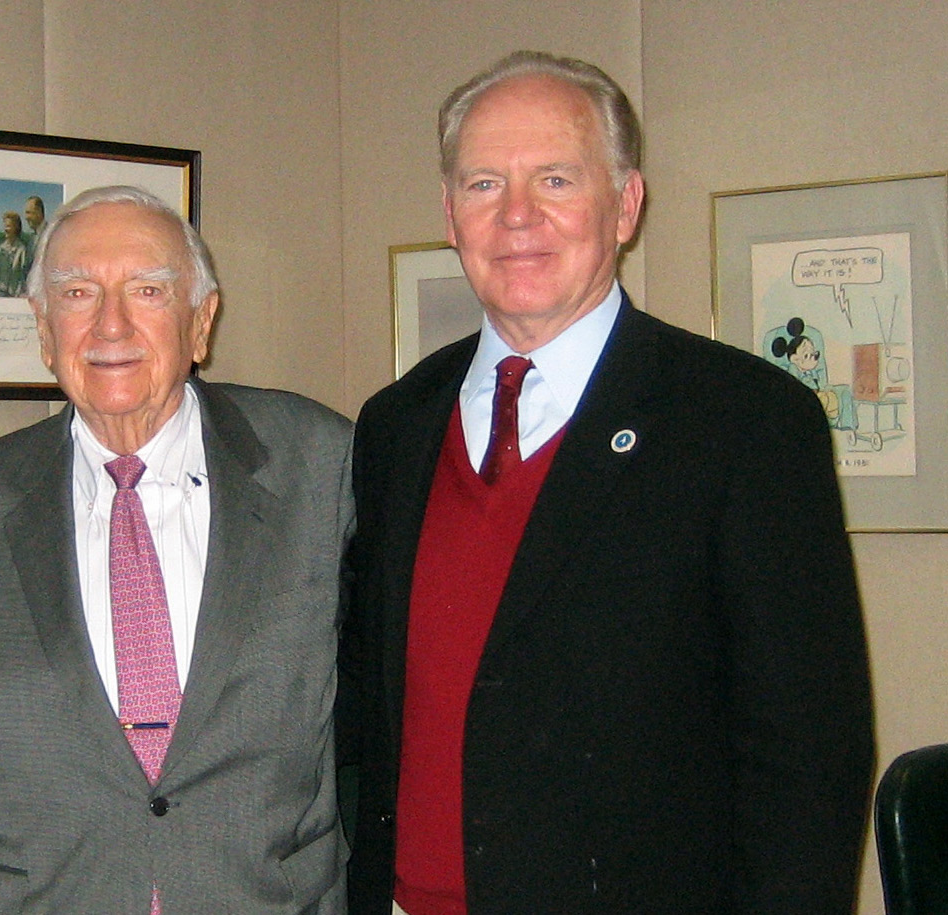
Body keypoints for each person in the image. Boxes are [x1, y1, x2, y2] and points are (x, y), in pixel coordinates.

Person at [338, 51, 874, 915]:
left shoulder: (744, 424)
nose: (517, 216)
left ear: (625, 205)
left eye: (555, 178)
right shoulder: (395, 425)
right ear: (448, 213)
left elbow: (809, 762)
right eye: (483, 184)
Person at [0, 185, 353, 913]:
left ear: (201, 321)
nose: (109, 324)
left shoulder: (321, 464)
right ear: (44, 329)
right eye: (79, 292)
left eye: (147, 290)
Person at [0, 210, 29, 297]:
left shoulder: (21, 249)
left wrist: (18, 293)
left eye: (8, 226)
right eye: (5, 226)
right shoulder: (1, 248)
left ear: (16, 228)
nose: (5, 229)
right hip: (0, 292)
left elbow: (23, 275)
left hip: (15, 294)